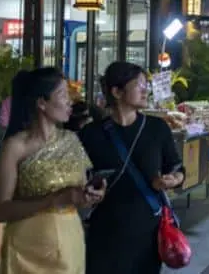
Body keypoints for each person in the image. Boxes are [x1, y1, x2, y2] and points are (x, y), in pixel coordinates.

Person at [78, 62, 185, 274]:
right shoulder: (91, 134)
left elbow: (177, 167)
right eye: (139, 85)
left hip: (148, 227)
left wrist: (173, 179)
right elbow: (79, 177)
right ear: (116, 92)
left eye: (146, 85)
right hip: (106, 228)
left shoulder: (157, 128)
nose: (146, 90)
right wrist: (87, 190)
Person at [0, 68, 104, 273]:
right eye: (63, 94)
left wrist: (90, 196)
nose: (70, 101)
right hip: (27, 250)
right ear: (41, 103)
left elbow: (79, 198)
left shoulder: (71, 140)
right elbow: (0, 210)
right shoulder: (15, 147)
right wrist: (52, 200)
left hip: (69, 242)